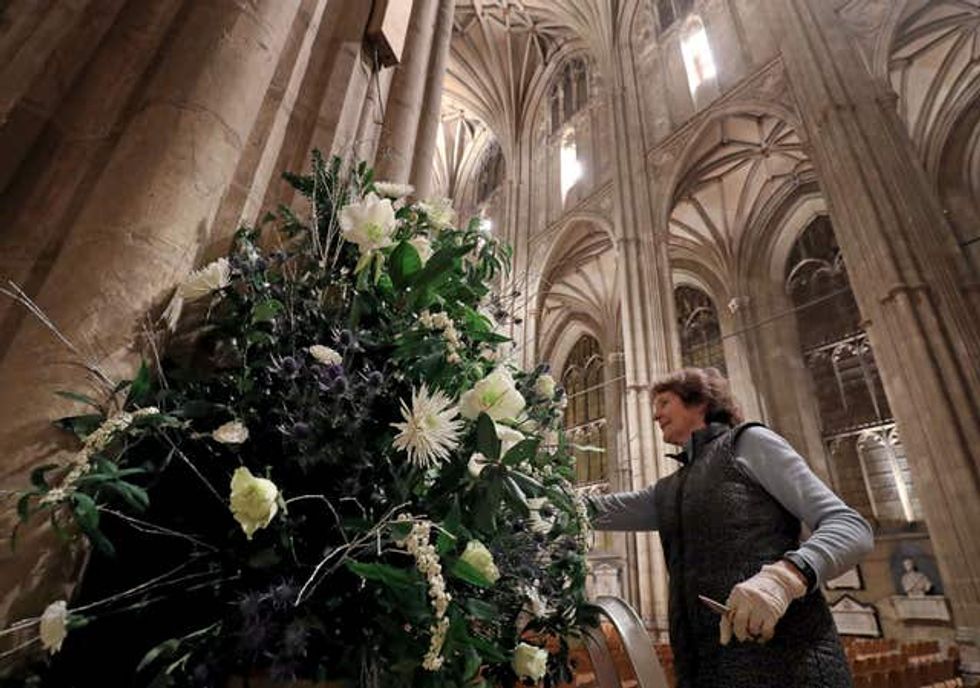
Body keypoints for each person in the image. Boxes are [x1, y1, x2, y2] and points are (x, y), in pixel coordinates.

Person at [590, 367, 874, 688]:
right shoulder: (671, 487)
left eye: (665, 402)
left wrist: (784, 578)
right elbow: (600, 510)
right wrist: (539, 496)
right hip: (707, 672)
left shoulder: (747, 443)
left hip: (792, 667)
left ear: (699, 402)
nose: (656, 415)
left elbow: (851, 527)